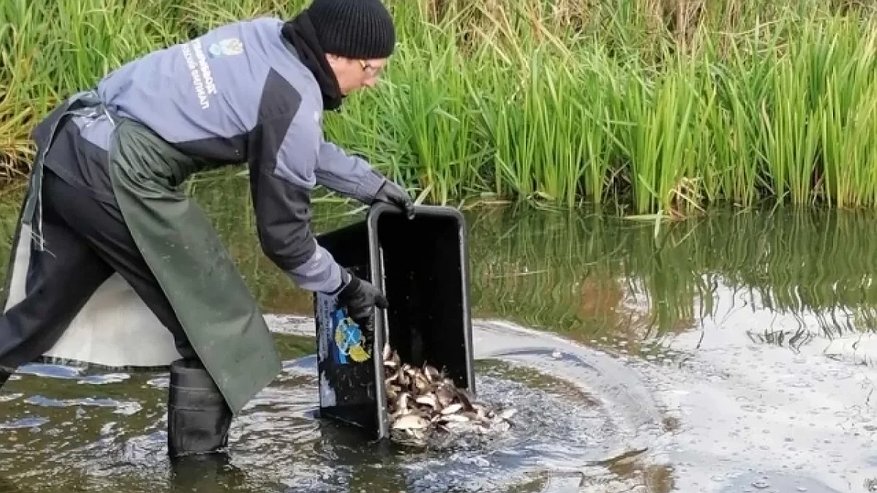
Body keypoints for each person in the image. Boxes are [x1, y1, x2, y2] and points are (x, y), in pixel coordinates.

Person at [0, 0, 413, 457]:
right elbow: (286, 241)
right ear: (335, 55)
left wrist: (371, 185)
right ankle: (201, 474)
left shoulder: (267, 37)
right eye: (371, 69)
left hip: (70, 146)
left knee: (34, 319)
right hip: (117, 174)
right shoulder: (291, 98)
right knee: (219, 334)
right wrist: (345, 286)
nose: (372, 82)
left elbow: (292, 140)